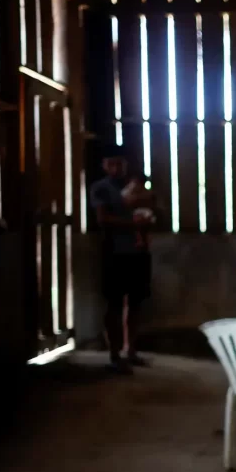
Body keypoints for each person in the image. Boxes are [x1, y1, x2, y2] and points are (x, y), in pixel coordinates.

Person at [90, 144, 153, 373]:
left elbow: (153, 210)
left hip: (138, 253)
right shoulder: (101, 189)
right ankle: (115, 354)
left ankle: (131, 350)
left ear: (125, 164)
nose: (116, 168)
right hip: (114, 253)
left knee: (135, 303)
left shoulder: (137, 187)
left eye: (120, 163)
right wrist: (132, 224)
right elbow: (102, 219)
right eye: (111, 163)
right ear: (104, 165)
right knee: (114, 304)